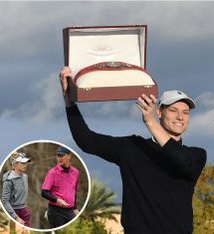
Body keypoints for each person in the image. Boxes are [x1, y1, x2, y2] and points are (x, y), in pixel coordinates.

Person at [59, 67, 206, 234]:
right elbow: (86, 140)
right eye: (173, 110)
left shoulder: (196, 155)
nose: (180, 117)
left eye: (185, 112)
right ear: (159, 112)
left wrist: (151, 123)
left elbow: (180, 160)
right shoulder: (132, 147)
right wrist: (68, 100)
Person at [41, 146, 80, 228]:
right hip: (56, 211)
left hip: (70, 211)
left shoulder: (76, 172)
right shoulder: (52, 173)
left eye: (62, 155)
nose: (59, 158)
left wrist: (75, 208)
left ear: (69, 156)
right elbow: (44, 192)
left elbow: (74, 191)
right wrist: (58, 200)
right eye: (58, 156)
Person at [1, 152, 32, 227]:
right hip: (12, 212)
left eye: (26, 162)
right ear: (15, 164)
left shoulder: (25, 176)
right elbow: (5, 201)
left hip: (24, 210)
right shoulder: (8, 180)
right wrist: (16, 217)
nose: (25, 165)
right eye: (22, 163)